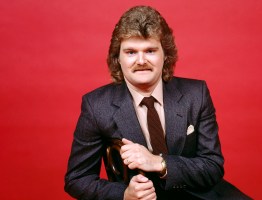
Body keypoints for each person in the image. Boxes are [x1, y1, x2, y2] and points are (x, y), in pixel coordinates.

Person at [65, 5, 251, 200]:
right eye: (130, 52)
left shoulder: (197, 94)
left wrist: (159, 163)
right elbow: (77, 179)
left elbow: (212, 166)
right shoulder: (96, 106)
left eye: (150, 50)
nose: (141, 60)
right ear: (117, 58)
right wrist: (124, 195)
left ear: (166, 55)